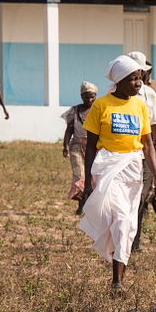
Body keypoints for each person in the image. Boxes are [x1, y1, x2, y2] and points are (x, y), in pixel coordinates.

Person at [78, 55, 156, 293]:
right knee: (119, 219)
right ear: (119, 80)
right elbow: (90, 146)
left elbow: (147, 144)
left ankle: (118, 281)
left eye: (140, 78)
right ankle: (117, 279)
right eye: (133, 78)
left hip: (133, 170)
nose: (138, 83)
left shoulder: (140, 106)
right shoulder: (102, 105)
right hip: (108, 168)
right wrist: (87, 179)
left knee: (128, 224)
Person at [125, 51, 156, 252]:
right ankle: (119, 236)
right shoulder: (111, 95)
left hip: (144, 156)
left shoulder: (150, 94)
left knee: (139, 198)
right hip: (121, 155)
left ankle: (134, 241)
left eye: (141, 71)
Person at [61, 81, 98, 214]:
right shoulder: (75, 111)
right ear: (82, 96)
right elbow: (69, 129)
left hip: (94, 147)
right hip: (76, 146)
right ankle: (81, 204)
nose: (89, 99)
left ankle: (90, 203)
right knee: (79, 175)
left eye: (92, 96)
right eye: (86, 96)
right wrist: (65, 145)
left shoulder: (98, 110)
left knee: (93, 176)